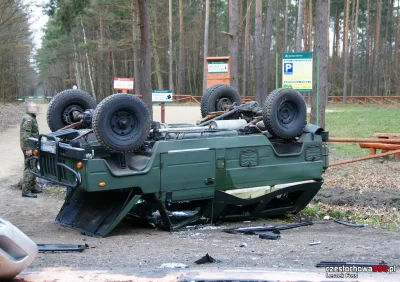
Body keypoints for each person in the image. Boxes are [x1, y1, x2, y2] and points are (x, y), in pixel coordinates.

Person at [20, 102, 42, 198]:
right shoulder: (28, 119)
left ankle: (32, 186)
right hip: (30, 147)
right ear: (28, 109)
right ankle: (26, 190)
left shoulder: (31, 117)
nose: (35, 108)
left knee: (33, 166)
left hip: (33, 146)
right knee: (29, 167)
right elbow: (26, 135)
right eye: (33, 107)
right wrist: (28, 148)